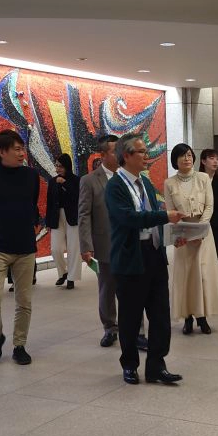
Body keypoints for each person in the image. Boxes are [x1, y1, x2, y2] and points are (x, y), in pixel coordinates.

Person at [105, 133, 185, 385]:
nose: (146, 156)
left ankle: (156, 366)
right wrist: (165, 217)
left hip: (154, 254)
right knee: (130, 317)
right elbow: (129, 218)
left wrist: (174, 235)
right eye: (141, 152)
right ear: (127, 155)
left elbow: (153, 217)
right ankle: (130, 365)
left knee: (160, 315)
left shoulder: (145, 183)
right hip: (131, 259)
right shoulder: (115, 186)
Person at [0, 129, 40, 365]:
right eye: (17, 149)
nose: (22, 153)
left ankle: (19, 345)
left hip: (25, 246)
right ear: (2, 151)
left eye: (23, 149)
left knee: (24, 301)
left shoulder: (31, 175)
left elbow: (32, 205)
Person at [78, 135, 147, 349]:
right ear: (102, 155)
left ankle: (138, 332)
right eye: (113, 151)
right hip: (105, 244)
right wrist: (86, 246)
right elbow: (84, 214)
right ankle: (110, 328)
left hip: (132, 243)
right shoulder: (90, 180)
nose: (118, 155)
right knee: (107, 289)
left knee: (134, 289)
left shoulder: (132, 177)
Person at [165, 143, 218, 334]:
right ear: (175, 160)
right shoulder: (169, 183)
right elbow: (171, 211)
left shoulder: (203, 178)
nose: (187, 158)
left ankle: (202, 317)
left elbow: (209, 206)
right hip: (183, 234)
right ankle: (188, 318)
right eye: (182, 155)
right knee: (186, 276)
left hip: (203, 232)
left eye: (189, 155)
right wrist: (184, 233)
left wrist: (200, 231)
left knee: (203, 275)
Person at [47, 153, 81, 289]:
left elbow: (77, 197)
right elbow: (50, 202)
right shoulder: (52, 181)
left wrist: (65, 183)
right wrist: (48, 222)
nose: (57, 169)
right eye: (56, 166)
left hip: (72, 216)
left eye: (60, 166)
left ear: (67, 166)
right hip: (56, 217)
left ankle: (71, 277)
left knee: (73, 248)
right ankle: (63, 273)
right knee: (55, 249)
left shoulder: (76, 180)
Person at [199, 148, 218, 265]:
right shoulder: (197, 179)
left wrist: (209, 197)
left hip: (217, 221)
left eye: (217, 159)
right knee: (201, 256)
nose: (215, 161)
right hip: (199, 221)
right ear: (203, 161)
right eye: (211, 158)